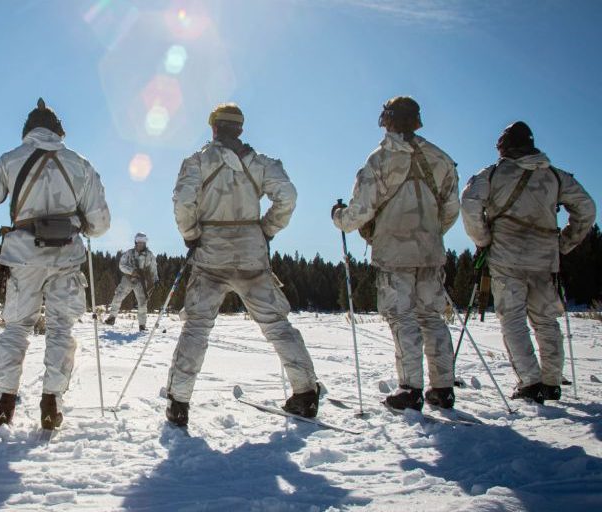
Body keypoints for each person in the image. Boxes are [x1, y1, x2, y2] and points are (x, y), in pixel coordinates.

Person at [0, 98, 110, 430]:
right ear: (59, 131)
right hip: (67, 257)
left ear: (27, 130)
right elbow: (100, 223)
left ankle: (4, 400)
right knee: (61, 329)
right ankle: (52, 401)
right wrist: (83, 226)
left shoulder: (10, 160)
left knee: (16, 328)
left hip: (23, 256)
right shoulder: (81, 165)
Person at [167, 103, 320, 426]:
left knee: (196, 327)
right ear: (240, 129)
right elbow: (288, 196)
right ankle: (306, 393)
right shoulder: (261, 163)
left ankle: (179, 401)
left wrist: (191, 233)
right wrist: (266, 228)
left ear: (213, 128)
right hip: (252, 252)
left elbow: (183, 201)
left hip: (211, 252)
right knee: (276, 324)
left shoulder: (197, 161)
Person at [331, 96, 460, 411]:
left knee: (402, 318)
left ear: (386, 119)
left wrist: (339, 217)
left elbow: (360, 211)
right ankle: (442, 389)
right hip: (431, 252)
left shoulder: (380, 160)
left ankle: (410, 388)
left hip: (393, 252)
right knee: (432, 318)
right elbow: (451, 208)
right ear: (417, 121)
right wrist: (430, 233)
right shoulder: (440, 158)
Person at [460, 121, 595, 403]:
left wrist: (483, 239)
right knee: (546, 320)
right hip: (545, 259)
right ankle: (552, 382)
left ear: (505, 147)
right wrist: (564, 244)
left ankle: (530, 382)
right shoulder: (555, 176)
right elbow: (586, 207)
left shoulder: (494, 173)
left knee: (513, 320)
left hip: (506, 256)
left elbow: (470, 203)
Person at [104, 232, 158, 331]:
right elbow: (121, 265)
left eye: (143, 242)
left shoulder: (149, 255)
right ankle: (112, 318)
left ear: (145, 243)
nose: (141, 243)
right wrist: (131, 271)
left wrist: (155, 280)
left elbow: (153, 268)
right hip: (128, 279)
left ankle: (142, 325)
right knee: (118, 296)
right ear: (136, 242)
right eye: (139, 241)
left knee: (142, 303)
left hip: (141, 281)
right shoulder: (129, 253)